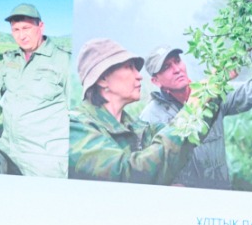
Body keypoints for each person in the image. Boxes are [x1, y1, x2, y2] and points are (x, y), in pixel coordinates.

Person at [0, 3, 76, 177]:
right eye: (16, 30)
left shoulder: (64, 62)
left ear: (40, 26)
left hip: (44, 160)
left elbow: (83, 113)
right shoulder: (11, 60)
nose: (21, 35)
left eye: (26, 28)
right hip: (8, 151)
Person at [68, 38, 212, 184]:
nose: (139, 76)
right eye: (129, 67)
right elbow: (126, 174)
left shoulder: (140, 129)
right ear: (103, 79)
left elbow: (185, 138)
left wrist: (212, 88)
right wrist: (190, 111)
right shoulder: (74, 127)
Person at [137, 45, 252, 189]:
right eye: (166, 67)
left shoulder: (211, 94)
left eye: (177, 61)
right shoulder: (150, 116)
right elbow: (144, 172)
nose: (176, 69)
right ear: (156, 81)